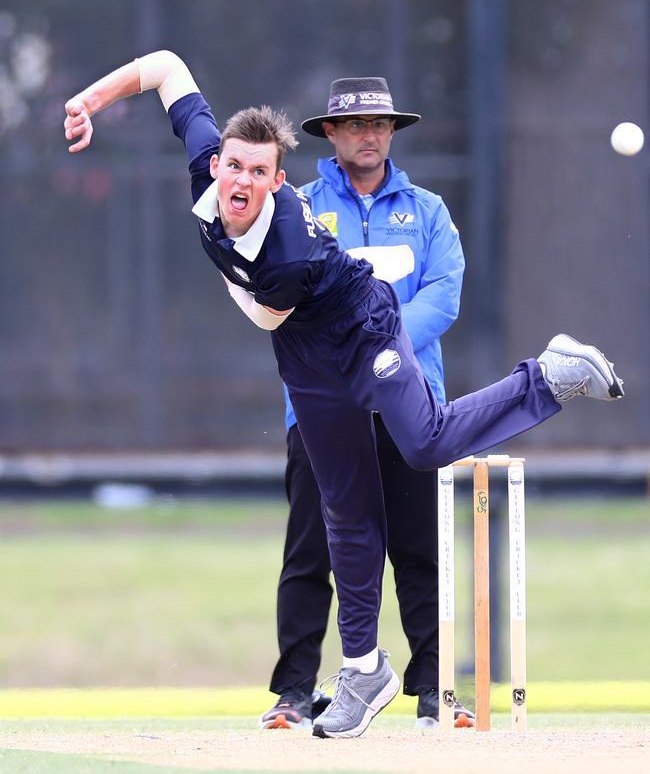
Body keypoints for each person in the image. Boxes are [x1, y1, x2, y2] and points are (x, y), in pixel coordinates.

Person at [63, 51, 624, 739]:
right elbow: (165, 69)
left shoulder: (289, 251)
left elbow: (263, 314)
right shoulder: (211, 167)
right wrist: (89, 101)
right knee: (344, 512)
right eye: (233, 165)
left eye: (259, 173)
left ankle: (549, 375)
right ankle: (362, 670)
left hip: (361, 324)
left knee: (424, 444)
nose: (241, 179)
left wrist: (229, 272)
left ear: (277, 183)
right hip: (304, 355)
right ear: (216, 162)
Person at [260, 77, 473, 731]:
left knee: (420, 551)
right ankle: (294, 693)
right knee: (311, 550)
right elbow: (285, 294)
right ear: (330, 133)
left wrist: (379, 350)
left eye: (380, 124)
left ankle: (435, 691)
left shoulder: (428, 210)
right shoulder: (297, 206)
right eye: (356, 125)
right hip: (322, 406)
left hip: (409, 403)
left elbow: (444, 292)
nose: (370, 135)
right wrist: (352, 352)